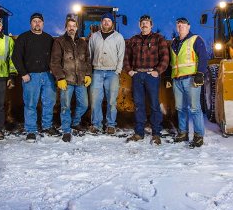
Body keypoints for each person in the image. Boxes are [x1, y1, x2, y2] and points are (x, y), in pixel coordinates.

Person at [12, 12, 58, 142]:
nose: (37, 23)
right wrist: (23, 73)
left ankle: (47, 126)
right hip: (30, 76)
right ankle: (31, 130)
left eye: (39, 21)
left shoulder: (49, 38)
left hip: (47, 76)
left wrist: (53, 71)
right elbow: (16, 57)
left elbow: (54, 57)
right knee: (31, 104)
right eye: (34, 21)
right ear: (30, 23)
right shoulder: (23, 38)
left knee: (49, 102)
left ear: (43, 24)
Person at [124, 15, 169, 145]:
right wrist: (130, 71)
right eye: (142, 23)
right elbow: (126, 58)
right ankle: (139, 132)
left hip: (151, 75)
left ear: (151, 25)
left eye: (147, 23)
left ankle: (156, 133)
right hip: (137, 75)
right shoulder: (133, 40)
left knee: (154, 104)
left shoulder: (159, 39)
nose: (144, 25)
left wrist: (157, 71)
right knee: (138, 105)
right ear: (139, 25)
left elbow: (165, 57)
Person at [50, 17, 92, 142]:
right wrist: (60, 77)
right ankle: (66, 130)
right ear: (66, 27)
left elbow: (88, 60)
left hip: (80, 80)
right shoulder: (60, 42)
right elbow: (55, 61)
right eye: (69, 26)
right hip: (66, 81)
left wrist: (88, 74)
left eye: (74, 26)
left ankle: (75, 122)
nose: (72, 28)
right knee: (65, 106)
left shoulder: (83, 43)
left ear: (77, 27)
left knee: (84, 105)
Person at [169, 17, 207, 148]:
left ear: (189, 26)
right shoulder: (174, 42)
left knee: (195, 108)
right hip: (177, 80)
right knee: (180, 108)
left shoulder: (196, 39)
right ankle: (183, 133)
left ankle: (198, 135)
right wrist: (170, 77)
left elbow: (203, 57)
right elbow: (172, 62)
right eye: (178, 25)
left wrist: (200, 74)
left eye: (183, 25)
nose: (181, 27)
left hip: (191, 79)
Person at [89, 12, 125, 135]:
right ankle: (96, 124)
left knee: (111, 101)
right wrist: (90, 71)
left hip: (112, 73)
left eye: (108, 21)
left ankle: (111, 125)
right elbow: (90, 54)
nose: (106, 23)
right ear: (101, 23)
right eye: (104, 20)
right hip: (97, 72)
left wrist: (118, 71)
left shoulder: (118, 37)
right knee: (95, 100)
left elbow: (121, 56)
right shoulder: (94, 37)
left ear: (112, 23)